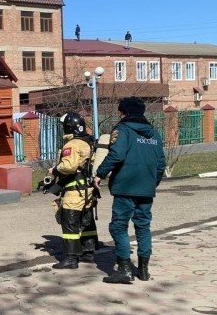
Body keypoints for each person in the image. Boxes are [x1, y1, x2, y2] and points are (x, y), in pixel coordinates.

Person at [94, 97, 165, 284]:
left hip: (125, 187)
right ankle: (143, 271)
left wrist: (99, 173)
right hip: (146, 188)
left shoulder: (122, 130)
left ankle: (124, 269)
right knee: (143, 227)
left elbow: (116, 154)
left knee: (118, 226)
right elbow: (161, 164)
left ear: (124, 112)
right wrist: (152, 183)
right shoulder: (154, 134)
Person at [48, 113, 98, 269]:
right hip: (88, 189)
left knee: (70, 222)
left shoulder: (73, 144)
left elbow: (69, 166)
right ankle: (88, 252)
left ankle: (70, 259)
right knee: (86, 220)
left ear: (68, 127)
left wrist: (55, 169)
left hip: (74, 190)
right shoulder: (87, 142)